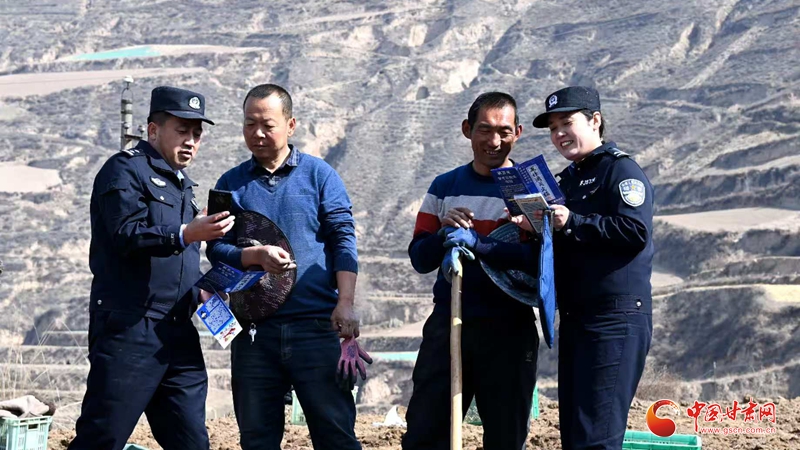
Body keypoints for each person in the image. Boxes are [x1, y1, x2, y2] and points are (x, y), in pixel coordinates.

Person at [70, 86, 234, 450]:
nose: (190, 141)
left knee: (192, 441)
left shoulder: (184, 188)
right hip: (131, 328)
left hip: (178, 333)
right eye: (182, 130)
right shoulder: (124, 170)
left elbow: (176, 262)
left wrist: (204, 291)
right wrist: (186, 233)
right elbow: (126, 235)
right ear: (153, 130)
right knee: (102, 438)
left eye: (197, 134)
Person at [206, 83, 365, 450]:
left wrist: (345, 302)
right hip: (254, 335)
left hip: (315, 328)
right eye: (249, 124)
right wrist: (254, 256)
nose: (257, 133)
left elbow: (343, 240)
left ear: (291, 125)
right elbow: (215, 248)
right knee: (257, 440)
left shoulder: (320, 176)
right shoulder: (230, 184)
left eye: (268, 124)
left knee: (336, 436)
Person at [402, 92, 541, 450]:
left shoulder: (531, 190)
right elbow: (420, 258)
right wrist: (443, 235)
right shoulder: (445, 187)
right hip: (450, 322)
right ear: (467, 130)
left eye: (504, 131)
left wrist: (491, 241)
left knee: (506, 437)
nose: (494, 141)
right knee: (425, 434)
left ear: (518, 133)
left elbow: (543, 263)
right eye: (485, 130)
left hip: (510, 327)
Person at [518, 86, 654, 449]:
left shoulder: (620, 170)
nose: (559, 134)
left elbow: (635, 230)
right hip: (577, 319)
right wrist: (533, 229)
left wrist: (573, 222)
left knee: (598, 437)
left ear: (595, 121)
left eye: (567, 123)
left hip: (614, 319)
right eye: (553, 128)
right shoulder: (566, 180)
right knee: (577, 436)